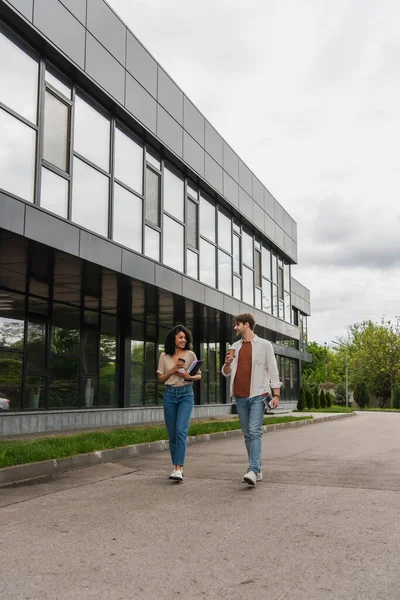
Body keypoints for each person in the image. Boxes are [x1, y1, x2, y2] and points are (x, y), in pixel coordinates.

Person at [222, 313, 281, 486]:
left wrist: (276, 394)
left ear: (246, 325)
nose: (235, 327)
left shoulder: (264, 345)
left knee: (255, 431)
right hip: (240, 396)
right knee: (248, 435)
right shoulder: (235, 346)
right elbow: (226, 372)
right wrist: (227, 363)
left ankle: (252, 470)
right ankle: (258, 468)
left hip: (258, 394)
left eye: (237, 324)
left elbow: (273, 370)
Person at [157, 325, 201, 481]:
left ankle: (178, 468)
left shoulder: (190, 354)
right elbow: (160, 378)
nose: (184, 340)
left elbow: (198, 376)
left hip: (185, 394)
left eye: (185, 338)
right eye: (180, 337)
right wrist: (172, 371)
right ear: (173, 339)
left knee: (181, 430)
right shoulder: (164, 356)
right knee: (172, 434)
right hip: (170, 395)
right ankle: (175, 465)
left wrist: (188, 376)